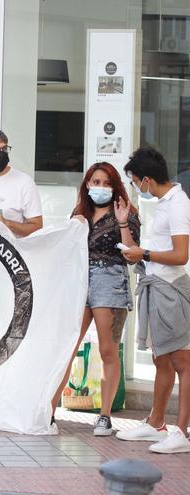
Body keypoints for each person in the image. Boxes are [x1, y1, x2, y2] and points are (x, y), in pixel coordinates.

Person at [50, 162, 140, 436]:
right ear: (87, 184)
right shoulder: (80, 212)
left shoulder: (125, 212)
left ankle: (104, 416)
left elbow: (132, 252)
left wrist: (123, 221)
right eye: (95, 182)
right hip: (79, 280)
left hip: (109, 279)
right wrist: (71, 226)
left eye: (105, 182)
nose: (99, 187)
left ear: (114, 185)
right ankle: (49, 411)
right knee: (67, 346)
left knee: (107, 350)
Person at [117, 147, 190, 454]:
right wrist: (123, 223)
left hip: (171, 289)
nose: (135, 186)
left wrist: (144, 254)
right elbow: (147, 253)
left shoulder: (178, 203)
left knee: (182, 362)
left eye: (135, 181)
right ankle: (156, 422)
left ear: (146, 179)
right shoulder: (162, 203)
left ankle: (181, 432)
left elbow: (180, 255)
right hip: (156, 286)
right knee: (161, 359)